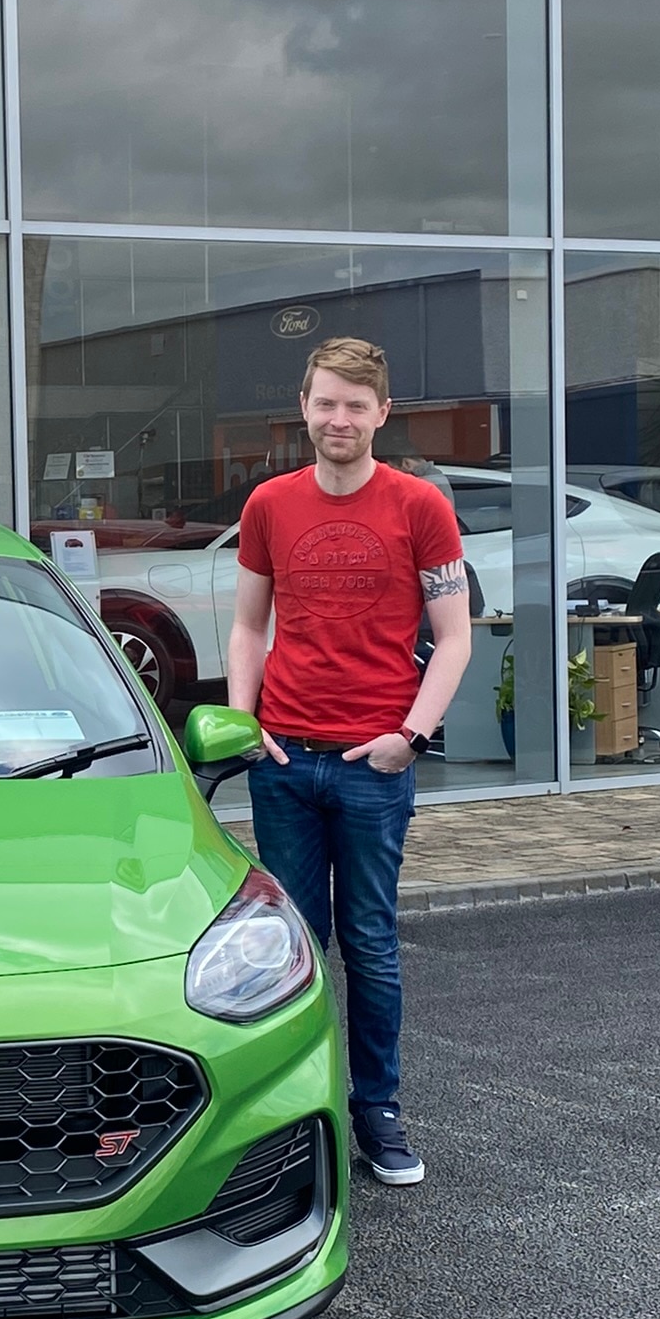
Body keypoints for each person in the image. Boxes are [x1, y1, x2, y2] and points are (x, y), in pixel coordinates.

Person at [227, 336, 472, 1187]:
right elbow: (250, 626)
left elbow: (454, 639)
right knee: (292, 947)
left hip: (375, 763)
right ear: (305, 406)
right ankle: (296, 1114)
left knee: (367, 942)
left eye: (355, 406)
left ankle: (377, 1111)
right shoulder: (269, 504)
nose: (339, 419)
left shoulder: (420, 508)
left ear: (382, 414)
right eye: (326, 402)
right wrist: (244, 717)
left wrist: (411, 735)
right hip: (283, 760)